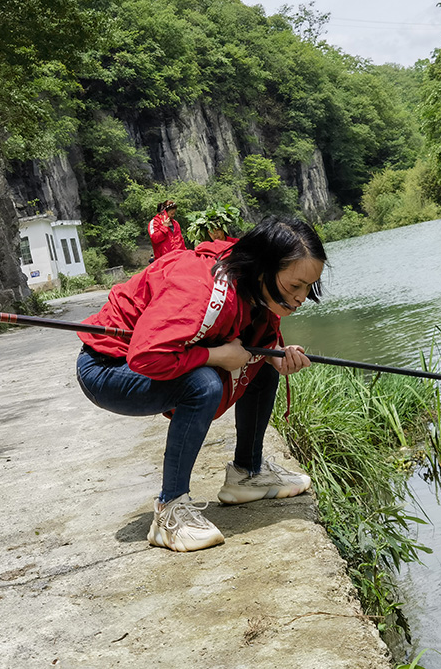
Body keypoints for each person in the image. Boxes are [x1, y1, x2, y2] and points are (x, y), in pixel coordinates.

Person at [76, 216, 326, 552]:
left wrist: (275, 356)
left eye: (309, 287)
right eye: (295, 286)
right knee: (203, 384)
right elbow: (146, 357)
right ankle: (169, 511)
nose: (302, 297)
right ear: (263, 268)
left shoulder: (252, 284)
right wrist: (217, 356)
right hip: (108, 367)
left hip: (143, 358)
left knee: (262, 364)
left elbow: (252, 338)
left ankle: (247, 474)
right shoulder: (201, 288)